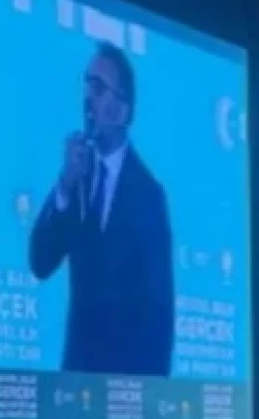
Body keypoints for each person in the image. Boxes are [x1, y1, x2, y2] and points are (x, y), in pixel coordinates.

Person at [29, 42, 174, 376]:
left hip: (126, 388)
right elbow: (40, 262)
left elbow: (160, 317)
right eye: (86, 87)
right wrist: (65, 184)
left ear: (121, 109)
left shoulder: (150, 196)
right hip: (74, 385)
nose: (87, 99)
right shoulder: (78, 176)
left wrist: (146, 398)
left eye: (97, 89)